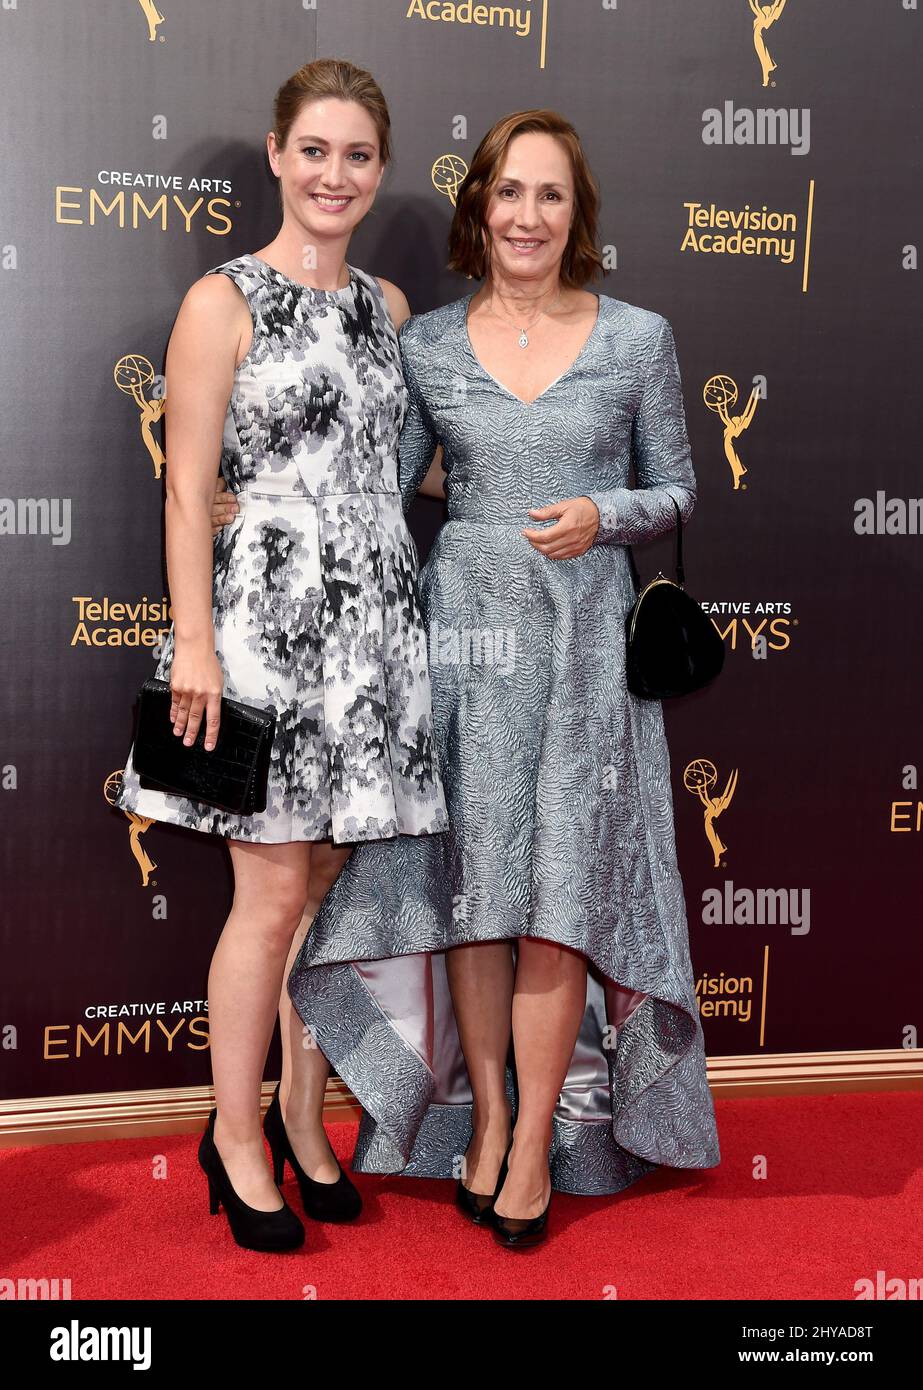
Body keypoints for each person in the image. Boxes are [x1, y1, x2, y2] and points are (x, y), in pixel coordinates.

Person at [214, 107, 722, 1252]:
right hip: (461, 649)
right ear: (477, 209)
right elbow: (377, 491)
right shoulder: (426, 344)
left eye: (550, 195)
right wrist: (271, 516)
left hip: (586, 648)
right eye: (508, 194)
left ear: (574, 214)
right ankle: (485, 1117)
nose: (527, 216)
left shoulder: (638, 336)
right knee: (475, 900)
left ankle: (536, 1140)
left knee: (555, 907)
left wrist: (607, 515)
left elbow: (679, 490)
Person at [114, 57, 447, 1253]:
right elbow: (187, 486)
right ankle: (236, 1133)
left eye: (357, 155)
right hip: (261, 619)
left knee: (323, 888)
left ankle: (307, 1117)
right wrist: (194, 643)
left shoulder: (392, 308)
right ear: (274, 154)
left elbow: (412, 470)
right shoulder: (221, 300)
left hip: (368, 625)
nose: (334, 174)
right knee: (267, 893)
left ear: (380, 170)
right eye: (314, 150)